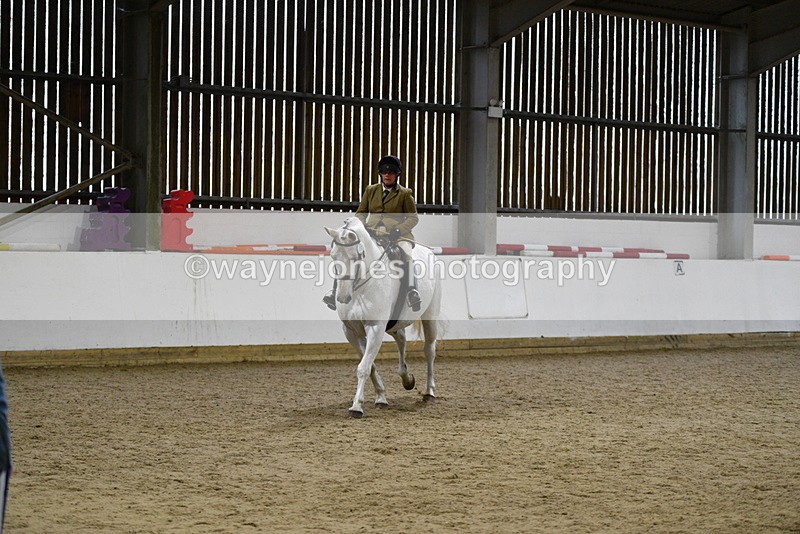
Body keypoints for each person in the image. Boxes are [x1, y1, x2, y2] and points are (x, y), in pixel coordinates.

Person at [323, 155, 421, 311]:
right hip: (372, 233)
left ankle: (412, 291)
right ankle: (334, 291)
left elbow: (413, 218)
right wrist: (362, 226)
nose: (387, 175)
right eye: (384, 172)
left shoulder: (404, 194)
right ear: (380, 174)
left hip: (398, 236)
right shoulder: (371, 190)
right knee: (347, 253)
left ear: (397, 175)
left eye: (391, 173)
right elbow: (361, 212)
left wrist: (399, 229)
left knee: (407, 254)